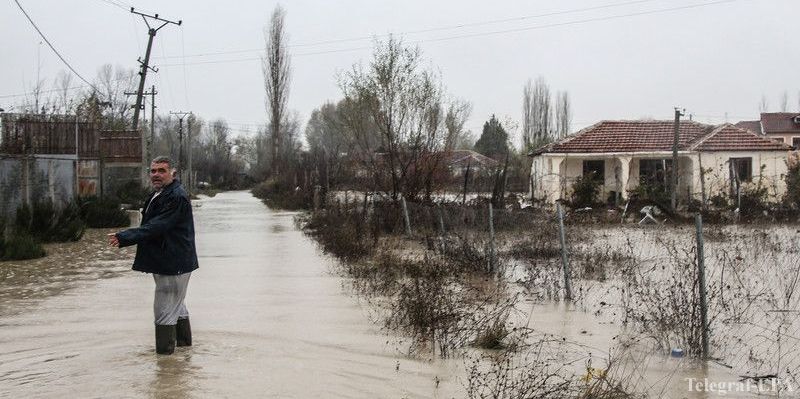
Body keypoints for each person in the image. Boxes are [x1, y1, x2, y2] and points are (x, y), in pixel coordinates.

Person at [108, 156, 199, 355]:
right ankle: (185, 355)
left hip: (174, 263)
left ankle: (165, 368)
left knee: (164, 312)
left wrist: (126, 236)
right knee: (177, 307)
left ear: (172, 173)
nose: (156, 175)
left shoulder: (175, 196)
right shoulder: (160, 194)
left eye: (161, 171)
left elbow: (158, 226)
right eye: (153, 171)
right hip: (170, 261)